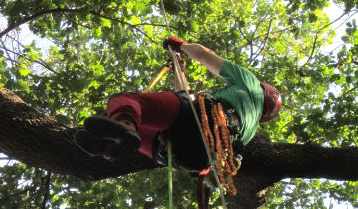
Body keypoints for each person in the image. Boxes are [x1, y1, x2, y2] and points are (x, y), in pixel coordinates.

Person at [75, 37, 282, 171]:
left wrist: (180, 45)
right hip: (194, 158)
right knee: (149, 133)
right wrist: (178, 69)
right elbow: (185, 97)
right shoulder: (249, 131)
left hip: (201, 119)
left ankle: (124, 125)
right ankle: (110, 146)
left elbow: (203, 55)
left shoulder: (251, 83)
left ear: (263, 91)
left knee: (124, 102)